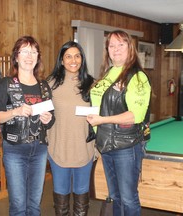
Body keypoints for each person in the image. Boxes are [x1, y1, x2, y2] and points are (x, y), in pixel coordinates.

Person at [86, 30, 151, 216]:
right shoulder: (108, 73)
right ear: (107, 49)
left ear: (130, 48)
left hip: (126, 146)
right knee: (115, 195)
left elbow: (135, 115)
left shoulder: (137, 77)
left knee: (129, 198)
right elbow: (102, 104)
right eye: (112, 45)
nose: (116, 49)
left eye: (121, 44)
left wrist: (101, 120)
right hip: (106, 143)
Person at [0, 36, 55, 216]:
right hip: (14, 149)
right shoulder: (5, 84)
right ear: (16, 56)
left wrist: (47, 119)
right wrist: (15, 111)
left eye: (34, 52)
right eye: (25, 51)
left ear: (38, 57)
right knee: (19, 205)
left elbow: (52, 119)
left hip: (39, 148)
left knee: (35, 203)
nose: (29, 56)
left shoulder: (44, 86)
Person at [46, 41, 95, 215]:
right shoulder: (50, 85)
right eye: (68, 56)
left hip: (84, 149)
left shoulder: (92, 84)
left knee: (82, 198)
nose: (73, 60)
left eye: (77, 56)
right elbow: (43, 116)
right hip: (58, 149)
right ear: (61, 60)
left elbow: (100, 117)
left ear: (82, 59)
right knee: (61, 199)